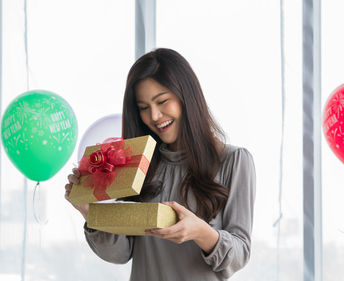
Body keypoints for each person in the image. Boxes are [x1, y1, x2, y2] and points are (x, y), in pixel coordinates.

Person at [64, 48, 256, 280]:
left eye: (162, 101)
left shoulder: (234, 161)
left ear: (187, 96)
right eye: (143, 108)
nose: (154, 115)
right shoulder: (138, 165)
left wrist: (201, 231)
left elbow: (240, 253)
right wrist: (88, 211)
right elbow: (121, 253)